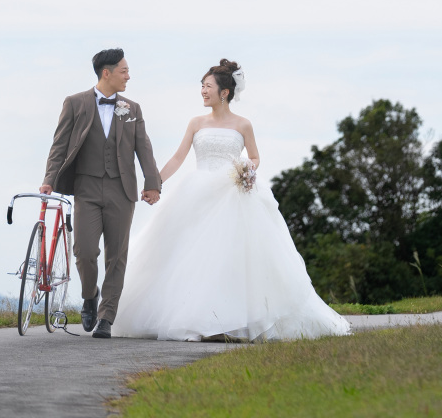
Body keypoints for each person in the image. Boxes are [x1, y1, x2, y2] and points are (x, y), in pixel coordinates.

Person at [114, 59, 351, 341]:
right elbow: (178, 157)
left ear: (224, 92)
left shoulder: (243, 124)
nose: (203, 91)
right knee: (194, 257)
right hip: (198, 195)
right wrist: (156, 182)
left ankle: (231, 321)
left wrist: (247, 169)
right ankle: (198, 319)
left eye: (208, 86)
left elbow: (255, 157)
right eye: (202, 86)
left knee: (232, 258)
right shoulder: (196, 123)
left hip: (233, 195)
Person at [40, 48, 161, 339]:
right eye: (124, 71)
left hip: (122, 189)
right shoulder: (75, 103)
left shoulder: (133, 109)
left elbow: (143, 148)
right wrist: (49, 179)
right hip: (87, 188)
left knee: (116, 256)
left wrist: (152, 183)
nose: (128, 76)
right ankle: (89, 294)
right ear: (106, 73)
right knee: (84, 251)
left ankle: (107, 316)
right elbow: (59, 146)